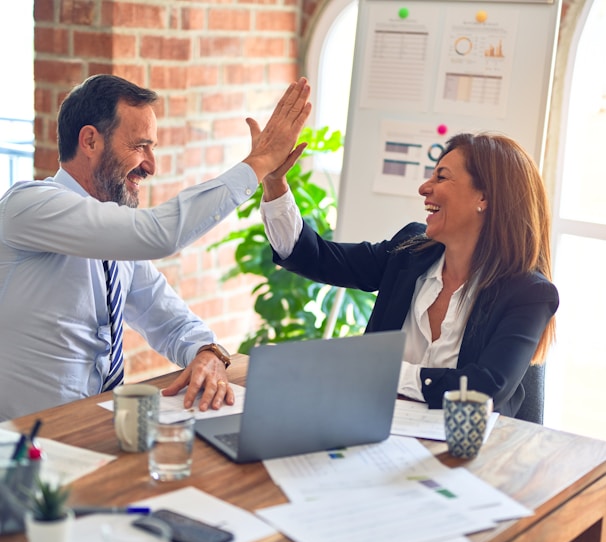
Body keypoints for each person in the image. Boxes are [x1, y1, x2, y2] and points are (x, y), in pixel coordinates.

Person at [0, 74, 311, 421]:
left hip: (93, 432)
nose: (151, 165)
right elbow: (158, 234)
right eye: (139, 146)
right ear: (90, 141)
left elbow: (169, 320)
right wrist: (259, 163)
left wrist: (207, 352)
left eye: (153, 148)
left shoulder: (114, 240)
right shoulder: (28, 206)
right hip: (22, 446)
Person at [259, 132, 559, 417]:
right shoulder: (410, 253)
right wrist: (274, 183)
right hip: (375, 430)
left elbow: (484, 390)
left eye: (441, 177)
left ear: (484, 197)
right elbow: (315, 257)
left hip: (470, 454)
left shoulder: (529, 293)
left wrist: (383, 371)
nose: (424, 188)